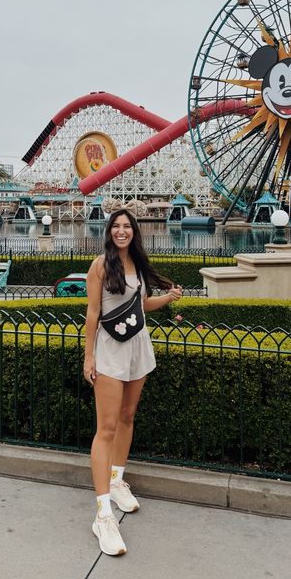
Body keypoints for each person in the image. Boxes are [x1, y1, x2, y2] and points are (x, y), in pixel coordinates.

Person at [83, 200, 183, 556]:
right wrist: (89, 356)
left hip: (138, 346)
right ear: (109, 232)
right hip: (110, 350)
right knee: (106, 427)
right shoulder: (100, 265)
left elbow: (141, 306)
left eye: (127, 227)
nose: (122, 231)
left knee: (127, 416)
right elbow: (93, 313)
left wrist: (168, 299)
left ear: (134, 232)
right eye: (116, 227)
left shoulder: (137, 265)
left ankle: (117, 478)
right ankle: (102, 514)